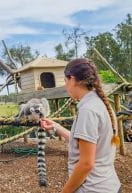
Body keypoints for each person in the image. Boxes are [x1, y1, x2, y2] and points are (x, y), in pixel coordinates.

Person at [40, 58, 121, 193]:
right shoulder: (100, 103)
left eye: (65, 81)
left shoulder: (87, 110)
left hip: (93, 188)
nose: (65, 86)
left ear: (72, 79)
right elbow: (86, 143)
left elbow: (86, 164)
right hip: (109, 184)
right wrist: (56, 127)